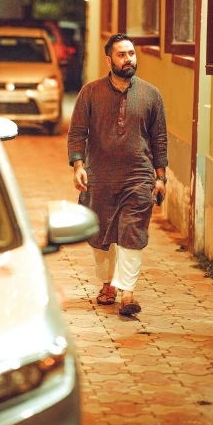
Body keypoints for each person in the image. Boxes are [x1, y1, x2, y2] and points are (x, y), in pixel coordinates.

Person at [67, 33, 168, 316]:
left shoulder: (151, 95)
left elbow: (159, 140)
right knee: (100, 235)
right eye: (122, 55)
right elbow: (77, 133)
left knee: (131, 231)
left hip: (139, 176)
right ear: (109, 59)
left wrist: (160, 177)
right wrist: (78, 165)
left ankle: (127, 293)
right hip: (99, 176)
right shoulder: (91, 92)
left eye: (131, 54)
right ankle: (107, 282)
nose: (128, 59)